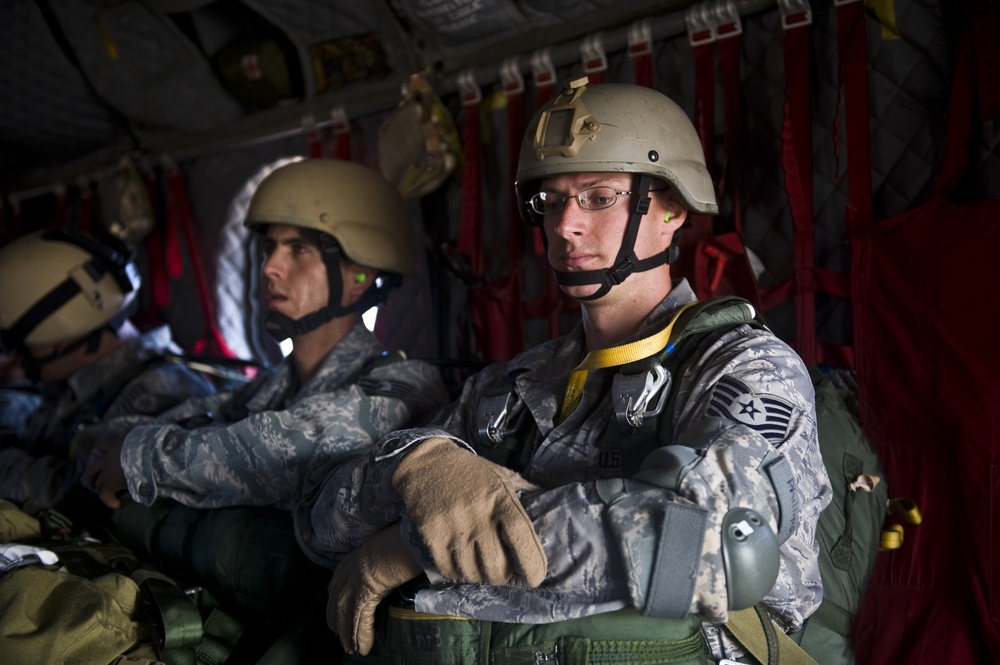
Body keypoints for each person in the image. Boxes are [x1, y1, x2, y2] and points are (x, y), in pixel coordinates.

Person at [296, 79, 832, 664]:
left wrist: (418, 542)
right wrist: (411, 465)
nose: (565, 226)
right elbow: (322, 526)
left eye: (598, 198)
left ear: (672, 208)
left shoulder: (746, 367)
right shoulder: (515, 386)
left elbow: (716, 542)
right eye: (552, 202)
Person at [82, 157, 450, 515]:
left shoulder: (407, 386)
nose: (270, 267)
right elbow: (189, 417)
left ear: (359, 277)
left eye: (299, 250)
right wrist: (107, 443)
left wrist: (142, 458)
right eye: (270, 247)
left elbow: (295, 446)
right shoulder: (271, 388)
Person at [0, 227, 216, 526]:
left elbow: (76, 496)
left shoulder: (158, 390)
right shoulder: (87, 379)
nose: (17, 358)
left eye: (21, 346)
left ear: (61, 338)